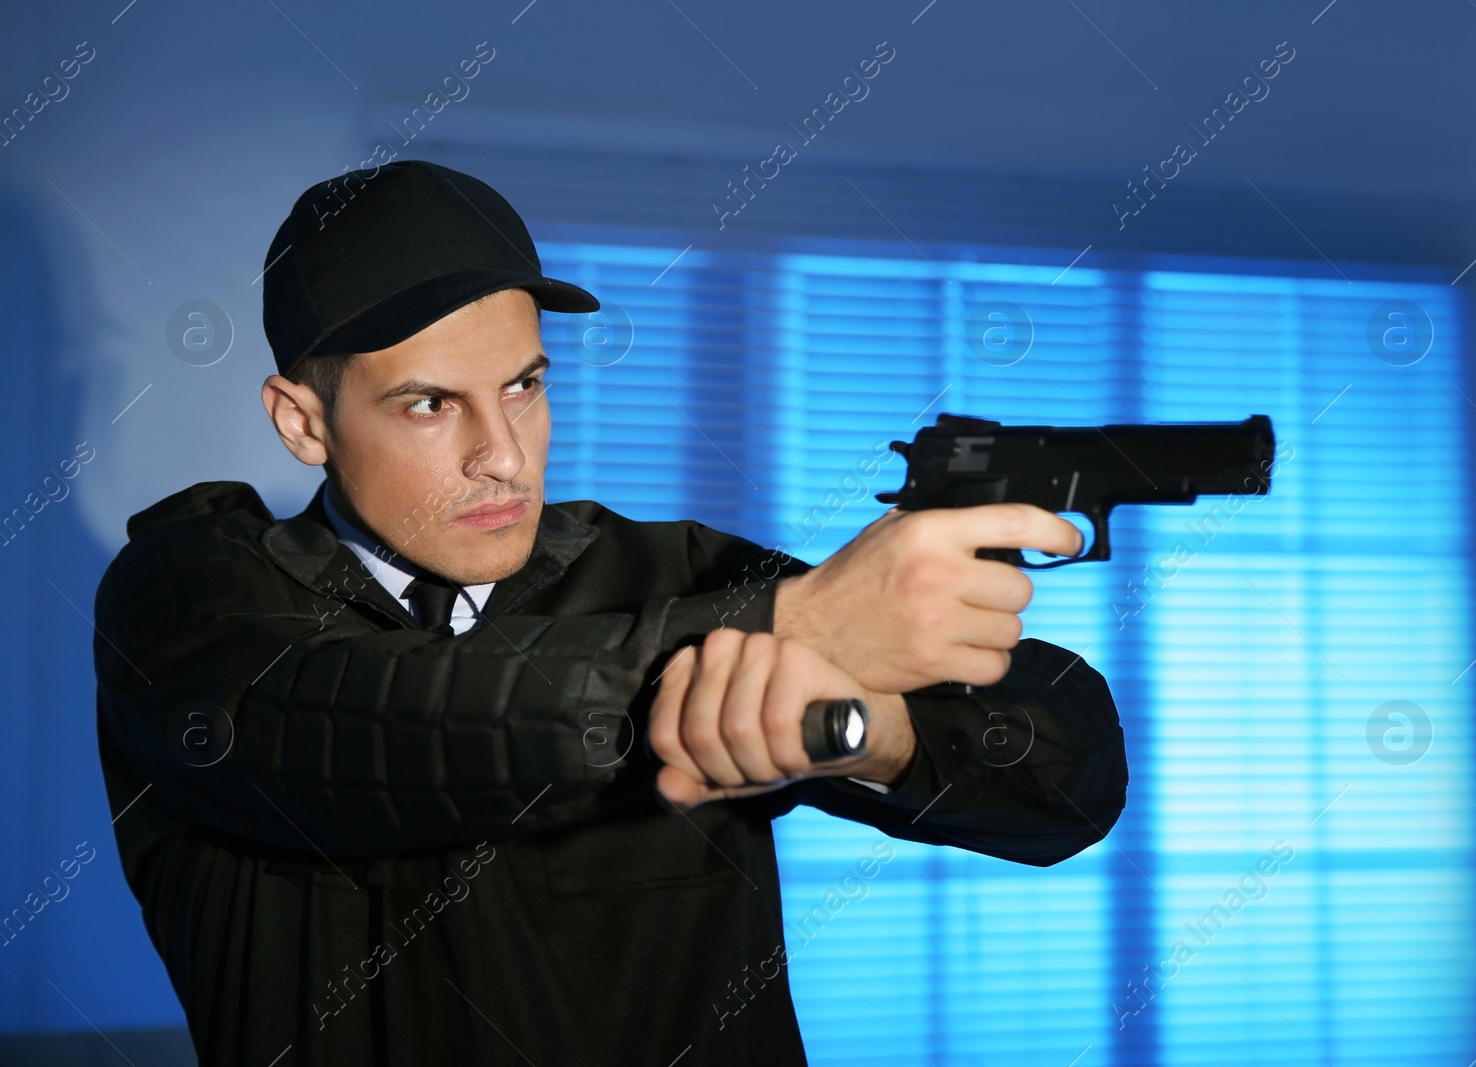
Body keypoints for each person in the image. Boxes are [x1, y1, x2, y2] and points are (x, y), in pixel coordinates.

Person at [91, 159, 1127, 1066]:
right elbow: (360, 720)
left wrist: (856, 724)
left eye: (525, 384)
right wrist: (791, 634)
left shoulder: (672, 571)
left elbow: (1063, 776)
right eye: (429, 403)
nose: (502, 452)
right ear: (303, 420)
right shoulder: (193, 600)